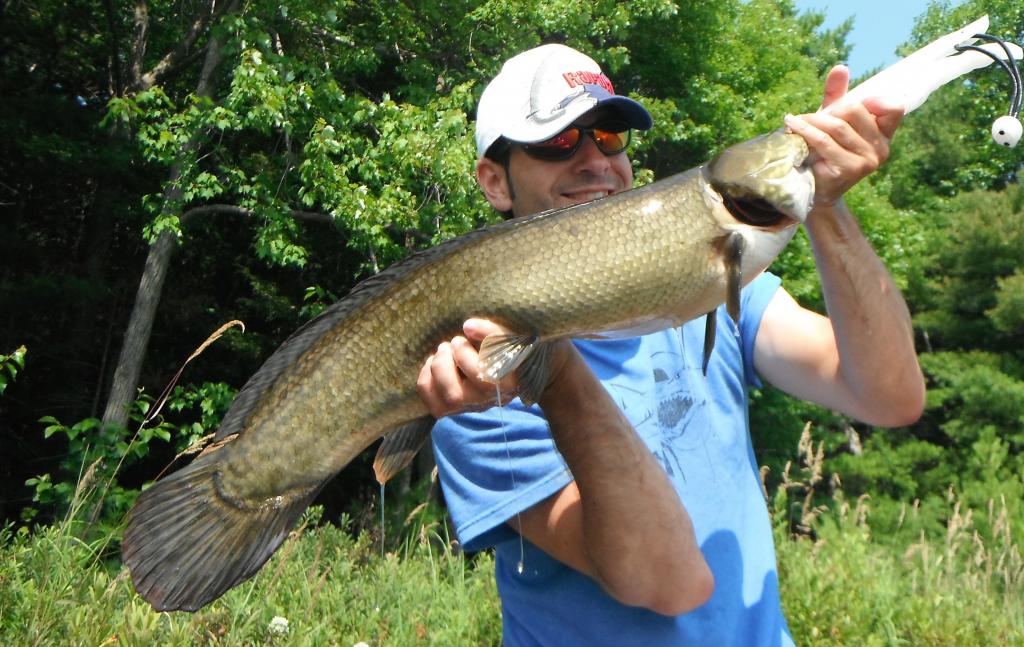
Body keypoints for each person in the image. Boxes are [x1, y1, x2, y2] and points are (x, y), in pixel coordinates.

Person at [415, 44, 925, 646]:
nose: (594, 160)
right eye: (557, 141)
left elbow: (890, 397)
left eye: (608, 136)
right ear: (494, 181)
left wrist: (826, 205)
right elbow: (668, 583)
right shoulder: (474, 379)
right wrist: (550, 371)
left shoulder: (704, 290)